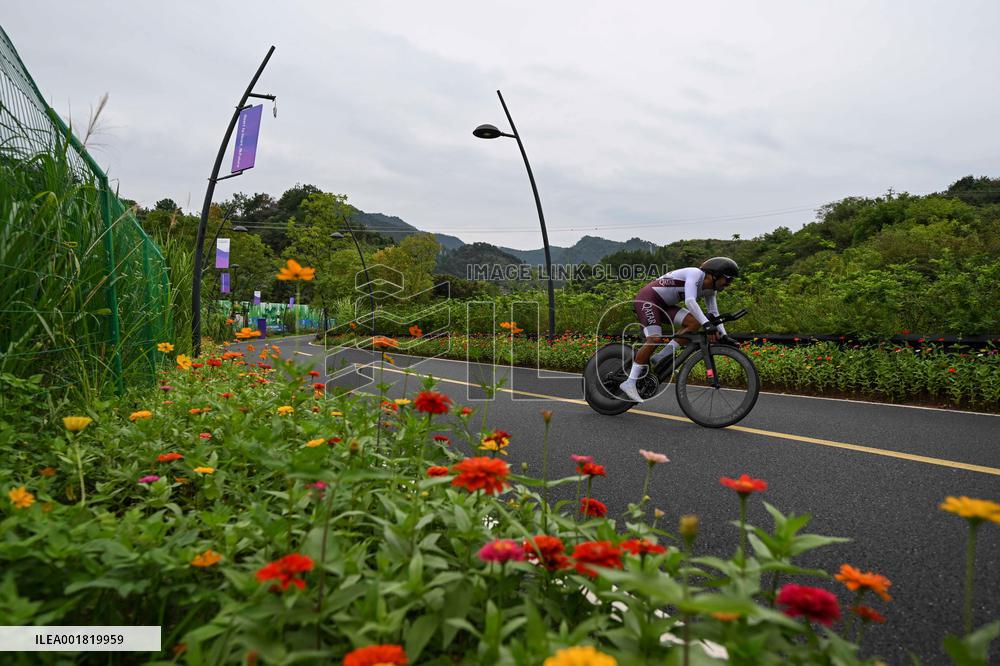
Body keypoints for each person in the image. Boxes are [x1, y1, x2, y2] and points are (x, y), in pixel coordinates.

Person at [619, 257, 740, 402]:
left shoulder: (710, 290)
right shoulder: (695, 274)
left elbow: (714, 312)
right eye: (728, 280)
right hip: (648, 299)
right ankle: (630, 382)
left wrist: (724, 335)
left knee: (694, 322)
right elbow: (690, 301)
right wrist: (707, 325)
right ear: (715, 275)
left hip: (665, 305)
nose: (729, 284)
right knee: (655, 338)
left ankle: (661, 357)